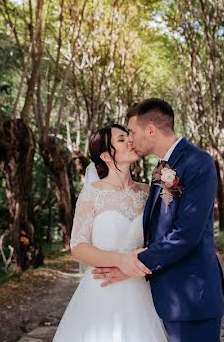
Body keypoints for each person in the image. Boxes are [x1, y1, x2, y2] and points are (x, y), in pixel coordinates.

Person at [93, 98, 224, 342]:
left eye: (132, 132)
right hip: (164, 297)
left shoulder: (197, 162)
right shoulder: (162, 168)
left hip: (191, 299)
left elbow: (186, 234)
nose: (130, 139)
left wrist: (134, 264)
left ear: (151, 130)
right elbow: (156, 230)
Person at [52, 123, 169, 342]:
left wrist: (138, 266)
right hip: (101, 290)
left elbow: (160, 240)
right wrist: (121, 260)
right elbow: (78, 247)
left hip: (141, 289)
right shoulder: (92, 194)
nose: (130, 142)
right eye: (122, 140)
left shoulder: (148, 192)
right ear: (106, 156)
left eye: (129, 136)